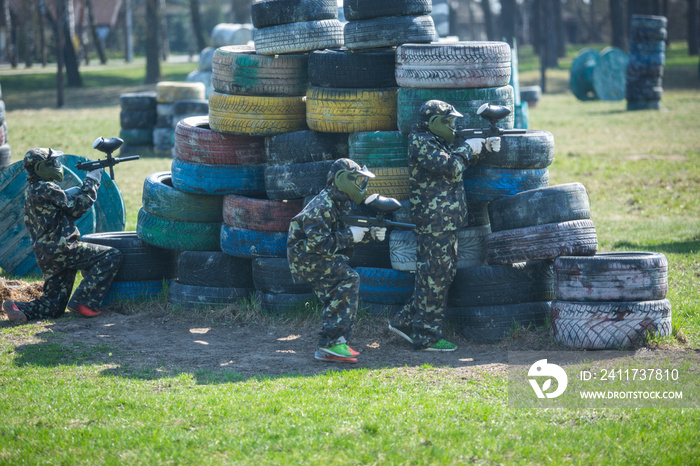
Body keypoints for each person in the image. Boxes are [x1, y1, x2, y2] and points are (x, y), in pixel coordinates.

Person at [389, 100, 501, 351]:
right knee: (434, 277)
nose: (453, 126)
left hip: (444, 221)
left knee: (442, 274)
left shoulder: (435, 141)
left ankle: (405, 321)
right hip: (433, 223)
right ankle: (426, 336)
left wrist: (483, 148)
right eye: (449, 121)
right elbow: (450, 167)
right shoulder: (421, 142)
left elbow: (456, 163)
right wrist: (466, 149)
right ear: (435, 122)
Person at [1, 148, 122, 323]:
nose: (57, 166)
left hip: (46, 253)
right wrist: (93, 179)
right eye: (53, 163)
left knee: (53, 306)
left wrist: (68, 194)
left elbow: (60, 209)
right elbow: (79, 207)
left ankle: (18, 309)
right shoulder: (47, 187)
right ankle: (84, 301)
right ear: (42, 167)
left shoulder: (33, 189)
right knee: (111, 256)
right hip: (64, 247)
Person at [287, 158, 386, 364]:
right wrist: (352, 235)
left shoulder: (339, 203)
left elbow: (339, 237)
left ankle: (335, 342)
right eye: (356, 181)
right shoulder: (321, 206)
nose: (360, 186)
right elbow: (318, 244)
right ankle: (330, 343)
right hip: (306, 257)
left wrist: (369, 235)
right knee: (348, 279)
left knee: (340, 286)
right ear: (342, 180)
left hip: (316, 255)